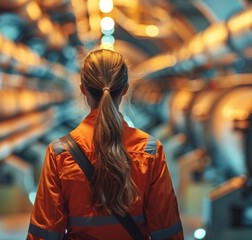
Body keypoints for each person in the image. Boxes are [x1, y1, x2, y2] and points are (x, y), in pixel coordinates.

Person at [27, 49, 184, 240]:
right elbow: (166, 229)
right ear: (125, 89)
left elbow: (45, 233)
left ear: (82, 89)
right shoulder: (150, 150)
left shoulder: (60, 152)